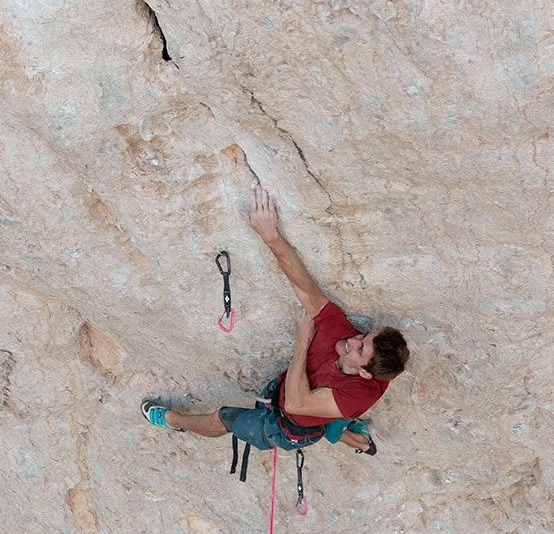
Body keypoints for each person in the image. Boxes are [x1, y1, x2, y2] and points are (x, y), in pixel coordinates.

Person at [141, 187, 410, 453]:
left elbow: (295, 404)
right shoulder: (343, 335)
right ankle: (349, 433)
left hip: (288, 427)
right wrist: (270, 236)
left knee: (224, 418)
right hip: (298, 394)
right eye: (363, 337)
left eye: (359, 348)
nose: (352, 339)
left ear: (364, 372)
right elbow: (304, 285)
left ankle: (170, 420)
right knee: (331, 419)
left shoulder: (357, 394)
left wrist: (302, 342)